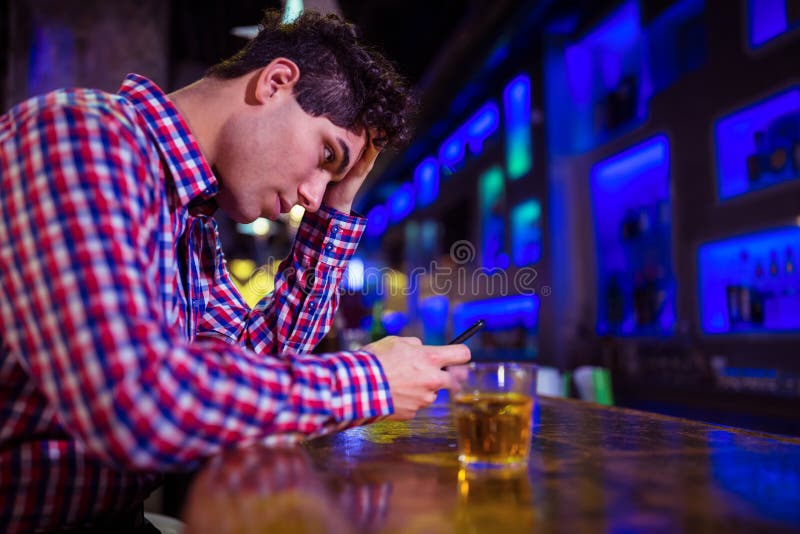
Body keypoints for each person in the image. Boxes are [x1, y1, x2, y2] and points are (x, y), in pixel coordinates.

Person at [0, 9, 470, 532]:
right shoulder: (83, 136)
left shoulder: (189, 216)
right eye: (326, 155)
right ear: (275, 83)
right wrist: (369, 380)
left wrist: (339, 206)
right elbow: (135, 399)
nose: (312, 198)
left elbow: (259, 355)